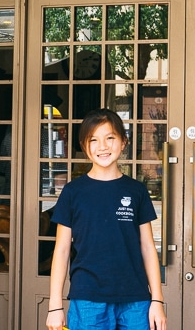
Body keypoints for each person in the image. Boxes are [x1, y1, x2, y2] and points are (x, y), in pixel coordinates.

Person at [46, 108, 167, 330]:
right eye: (94, 140)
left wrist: (157, 300)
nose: (102, 146)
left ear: (123, 142)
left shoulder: (136, 191)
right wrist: (55, 305)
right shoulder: (73, 192)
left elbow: (148, 248)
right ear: (85, 146)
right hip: (87, 298)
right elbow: (61, 250)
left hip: (136, 299)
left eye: (110, 138)